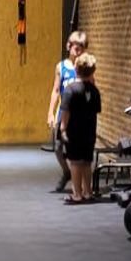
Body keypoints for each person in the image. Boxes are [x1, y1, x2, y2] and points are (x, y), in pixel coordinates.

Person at [47, 31, 88, 192]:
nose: (77, 51)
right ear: (69, 47)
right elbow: (56, 90)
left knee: (78, 150)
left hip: (79, 114)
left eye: (81, 48)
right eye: (75, 47)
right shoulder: (61, 67)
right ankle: (67, 172)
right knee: (58, 147)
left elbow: (91, 88)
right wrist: (50, 113)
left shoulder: (85, 67)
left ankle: (82, 185)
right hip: (63, 112)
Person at [59, 53, 101, 204]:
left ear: (76, 69)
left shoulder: (70, 90)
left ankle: (77, 194)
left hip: (74, 132)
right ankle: (88, 192)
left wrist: (63, 128)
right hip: (89, 131)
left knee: (75, 163)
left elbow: (66, 112)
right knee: (87, 162)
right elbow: (96, 111)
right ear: (92, 71)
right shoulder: (95, 91)